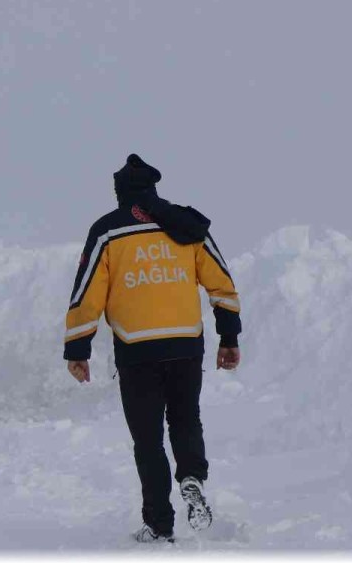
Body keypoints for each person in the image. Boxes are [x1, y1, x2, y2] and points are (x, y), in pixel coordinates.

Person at [63, 154, 242, 544]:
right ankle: (192, 475)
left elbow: (87, 294)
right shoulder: (186, 226)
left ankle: (160, 524)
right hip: (185, 344)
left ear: (120, 194)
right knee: (185, 419)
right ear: (153, 189)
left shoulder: (107, 231)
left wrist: (78, 348)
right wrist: (229, 336)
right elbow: (221, 284)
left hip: (137, 349)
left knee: (148, 440)